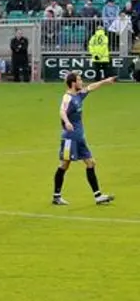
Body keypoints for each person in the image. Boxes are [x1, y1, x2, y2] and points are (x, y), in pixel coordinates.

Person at [52, 74, 116, 206]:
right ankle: (56, 196)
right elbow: (62, 111)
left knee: (91, 163)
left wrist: (105, 81)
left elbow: (91, 87)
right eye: (79, 80)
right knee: (64, 165)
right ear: (73, 83)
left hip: (79, 138)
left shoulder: (78, 95)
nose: (82, 82)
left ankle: (98, 196)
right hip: (70, 138)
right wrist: (67, 122)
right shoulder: (67, 97)